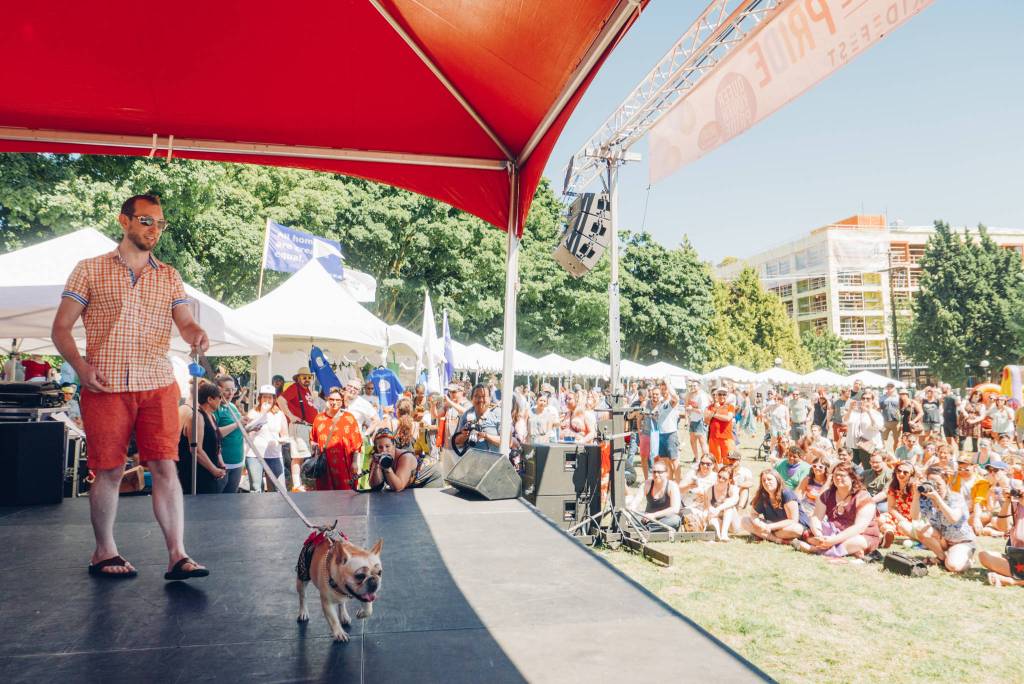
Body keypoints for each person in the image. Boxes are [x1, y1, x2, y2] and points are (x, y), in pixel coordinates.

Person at [51, 193, 210, 580]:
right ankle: (104, 551)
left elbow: (185, 321)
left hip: (157, 383)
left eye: (160, 223)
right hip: (105, 383)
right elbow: (61, 329)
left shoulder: (169, 275)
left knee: (166, 466)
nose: (154, 229)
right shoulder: (89, 269)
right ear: (124, 221)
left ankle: (178, 555)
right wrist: (80, 367)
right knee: (108, 469)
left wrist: (195, 332)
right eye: (146, 221)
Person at [794, 463, 881, 559]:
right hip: (834, 532)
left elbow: (859, 527)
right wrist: (819, 535)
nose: (838, 478)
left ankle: (815, 550)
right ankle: (847, 550)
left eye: (842, 475)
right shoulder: (827, 495)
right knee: (809, 534)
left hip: (860, 535)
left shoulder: (863, 497)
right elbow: (816, 517)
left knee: (857, 542)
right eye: (835, 475)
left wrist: (833, 540)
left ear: (852, 478)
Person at [913, 465, 976, 573]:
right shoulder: (927, 499)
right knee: (920, 529)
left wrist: (938, 499)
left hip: (962, 541)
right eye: (932, 483)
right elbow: (915, 517)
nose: (935, 487)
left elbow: (953, 519)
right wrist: (916, 496)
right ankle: (942, 558)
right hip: (943, 540)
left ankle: (969, 560)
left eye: (938, 484)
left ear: (946, 482)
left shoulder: (956, 497)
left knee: (953, 567)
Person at [177, 381, 228, 495]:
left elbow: (215, 442)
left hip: (209, 473)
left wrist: (220, 463)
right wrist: (214, 470)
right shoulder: (197, 417)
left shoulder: (211, 416)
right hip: (197, 475)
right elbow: (196, 450)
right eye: (219, 397)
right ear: (210, 399)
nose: (221, 400)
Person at [309, 388, 363, 491]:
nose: (334, 402)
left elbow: (356, 444)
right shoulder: (319, 419)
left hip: (344, 465)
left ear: (342, 401)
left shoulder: (349, 418)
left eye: (338, 400)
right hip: (324, 466)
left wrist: (355, 462)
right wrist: (315, 454)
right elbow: (313, 440)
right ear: (327, 399)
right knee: (325, 495)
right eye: (332, 399)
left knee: (345, 494)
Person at [278, 367, 318, 492]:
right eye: (304, 377)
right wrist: (290, 416)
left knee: (304, 455)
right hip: (300, 426)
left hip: (307, 426)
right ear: (298, 378)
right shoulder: (295, 388)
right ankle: (296, 484)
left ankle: (301, 482)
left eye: (309, 377)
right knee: (297, 456)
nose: (307, 380)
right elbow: (280, 400)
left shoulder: (307, 390)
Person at [741, 470, 809, 544]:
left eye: (769, 479)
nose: (766, 482)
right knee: (745, 521)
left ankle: (761, 534)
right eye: (764, 480)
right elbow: (753, 514)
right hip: (771, 526)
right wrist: (759, 524)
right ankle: (778, 540)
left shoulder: (787, 493)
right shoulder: (763, 495)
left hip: (790, 526)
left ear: (777, 480)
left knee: (796, 529)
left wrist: (770, 527)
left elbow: (793, 520)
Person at [366, 427, 442, 491]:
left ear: (394, 445)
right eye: (380, 447)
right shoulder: (378, 457)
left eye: (387, 446)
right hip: (413, 480)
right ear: (376, 448)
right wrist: (376, 465)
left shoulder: (405, 457)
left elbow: (398, 487)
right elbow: (375, 486)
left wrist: (387, 467)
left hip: (431, 476)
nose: (384, 450)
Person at [245, 384, 288, 492]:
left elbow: (285, 434)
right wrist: (263, 413)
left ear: (274, 399)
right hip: (254, 455)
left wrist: (283, 440)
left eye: (270, 397)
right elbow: (246, 430)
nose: (267, 400)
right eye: (264, 397)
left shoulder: (279, 414)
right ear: (260, 398)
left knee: (279, 487)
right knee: (256, 488)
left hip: (274, 454)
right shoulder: (253, 413)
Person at [978, 486, 1024, 586]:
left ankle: (1012, 581)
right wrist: (1007, 502)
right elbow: (1002, 527)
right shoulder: (1018, 504)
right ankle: (1017, 575)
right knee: (984, 556)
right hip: (1017, 558)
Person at [212, 375, 246, 494]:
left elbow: (238, 429)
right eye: (227, 390)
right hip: (223, 462)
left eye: (233, 389)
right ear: (218, 389)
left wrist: (250, 427)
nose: (231, 393)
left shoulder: (232, 406)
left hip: (237, 460)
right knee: (218, 498)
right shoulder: (216, 408)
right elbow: (215, 434)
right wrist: (237, 424)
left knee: (231, 498)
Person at [630, 461, 682, 530]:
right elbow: (635, 502)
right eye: (654, 472)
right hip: (647, 518)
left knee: (675, 520)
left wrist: (654, 515)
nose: (656, 474)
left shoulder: (672, 486)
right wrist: (629, 512)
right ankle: (649, 529)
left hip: (665, 519)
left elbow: (675, 509)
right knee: (628, 517)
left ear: (666, 473)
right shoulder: (646, 484)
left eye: (660, 472)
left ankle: (644, 529)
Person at [452, 384, 503, 454]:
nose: (481, 400)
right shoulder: (466, 415)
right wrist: (464, 436)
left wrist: (486, 436)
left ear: (490, 398)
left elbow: (506, 441)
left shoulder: (498, 413)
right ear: (471, 399)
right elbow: (457, 441)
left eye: (484, 396)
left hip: (494, 459)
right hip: (472, 459)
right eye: (477, 396)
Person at [878, 462, 917, 545]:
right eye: (898, 471)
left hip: (913, 518)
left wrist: (906, 521)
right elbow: (891, 507)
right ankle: (889, 533)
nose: (901, 474)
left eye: (905, 472)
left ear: (911, 475)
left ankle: (887, 534)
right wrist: (902, 519)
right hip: (899, 516)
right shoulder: (893, 486)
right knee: (880, 519)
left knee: (897, 526)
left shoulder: (914, 487)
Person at [705, 465, 740, 541]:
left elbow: (734, 500)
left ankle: (724, 534)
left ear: (729, 480)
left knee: (728, 506)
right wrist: (711, 510)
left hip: (732, 524)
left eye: (724, 478)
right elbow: (708, 505)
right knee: (712, 518)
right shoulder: (710, 489)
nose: (720, 479)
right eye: (719, 476)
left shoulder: (733, 489)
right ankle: (717, 535)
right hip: (718, 519)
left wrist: (718, 509)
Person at [653, 379, 681, 466]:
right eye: (662, 389)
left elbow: (675, 397)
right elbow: (656, 416)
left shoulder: (671, 401)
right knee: (665, 462)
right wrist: (654, 415)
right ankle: (668, 476)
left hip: (670, 434)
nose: (663, 391)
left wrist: (668, 384)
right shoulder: (661, 402)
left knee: (674, 462)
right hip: (661, 434)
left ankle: (676, 477)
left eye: (665, 389)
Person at [705, 388, 736, 465]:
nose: (722, 396)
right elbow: (706, 420)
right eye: (720, 394)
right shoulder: (710, 407)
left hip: (726, 438)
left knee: (729, 462)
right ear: (716, 395)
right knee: (715, 462)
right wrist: (715, 410)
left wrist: (714, 414)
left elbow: (728, 418)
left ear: (727, 396)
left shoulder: (730, 406)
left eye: (724, 394)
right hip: (714, 437)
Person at [684, 381, 711, 462]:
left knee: (702, 441)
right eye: (691, 386)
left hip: (700, 421)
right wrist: (687, 420)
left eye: (694, 386)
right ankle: (697, 458)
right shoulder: (690, 395)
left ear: (699, 386)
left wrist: (691, 409)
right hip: (692, 421)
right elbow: (686, 408)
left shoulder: (702, 396)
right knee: (692, 441)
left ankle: (705, 459)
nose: (692, 387)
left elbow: (702, 411)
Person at [879, 383, 902, 450]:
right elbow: (879, 408)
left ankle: (895, 454)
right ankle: (884, 453)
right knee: (882, 439)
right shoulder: (882, 397)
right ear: (886, 387)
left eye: (891, 386)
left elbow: (902, 408)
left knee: (897, 440)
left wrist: (901, 421)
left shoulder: (898, 397)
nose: (890, 388)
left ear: (894, 388)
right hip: (885, 422)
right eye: (888, 386)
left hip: (896, 422)